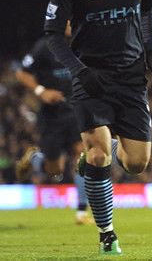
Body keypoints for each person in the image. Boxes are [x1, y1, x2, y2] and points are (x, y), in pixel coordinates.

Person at [43, 0, 152, 255]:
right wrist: (79, 71)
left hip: (130, 78)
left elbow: (148, 9)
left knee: (136, 164)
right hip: (91, 78)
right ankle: (107, 234)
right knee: (98, 157)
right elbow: (52, 33)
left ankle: (103, 147)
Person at [14, 23, 94, 225]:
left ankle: (82, 212)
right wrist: (41, 91)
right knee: (54, 170)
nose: (71, 24)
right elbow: (22, 73)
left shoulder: (81, 45)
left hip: (75, 111)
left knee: (82, 156)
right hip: (52, 116)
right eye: (67, 21)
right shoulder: (44, 46)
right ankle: (34, 157)